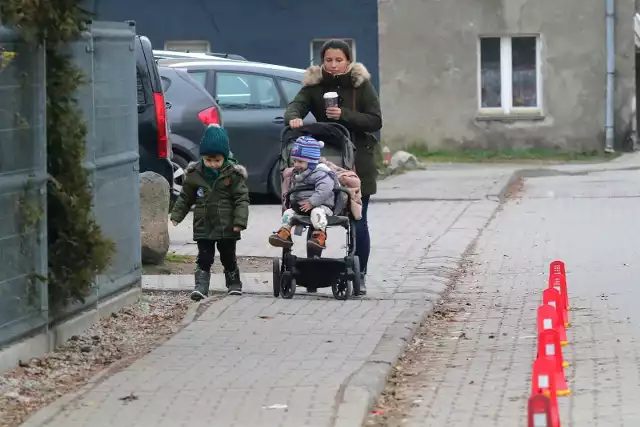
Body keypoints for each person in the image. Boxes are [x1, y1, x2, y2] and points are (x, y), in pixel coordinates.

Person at [284, 39, 382, 295]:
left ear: (348, 61)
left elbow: (375, 120)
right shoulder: (315, 86)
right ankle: (312, 272)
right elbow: (297, 104)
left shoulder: (360, 86)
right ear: (322, 61)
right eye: (329, 60)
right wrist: (293, 118)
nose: (334, 65)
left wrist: (345, 115)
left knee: (358, 220)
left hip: (358, 162)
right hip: (322, 160)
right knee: (312, 214)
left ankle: (359, 274)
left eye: (339, 60)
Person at [170, 124, 250, 300]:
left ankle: (234, 282)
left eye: (217, 160)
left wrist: (239, 221)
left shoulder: (233, 175)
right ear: (203, 158)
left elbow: (241, 199)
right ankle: (201, 286)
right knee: (204, 258)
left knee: (228, 256)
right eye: (208, 160)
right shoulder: (194, 174)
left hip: (227, 225)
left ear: (225, 157)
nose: (212, 164)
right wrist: (177, 216)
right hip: (203, 225)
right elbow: (185, 197)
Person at [268, 136, 338, 251]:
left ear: (311, 162)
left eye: (300, 161)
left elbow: (325, 189)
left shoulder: (321, 173)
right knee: (289, 213)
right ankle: (284, 232)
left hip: (321, 205)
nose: (296, 164)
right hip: (302, 206)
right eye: (294, 161)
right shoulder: (297, 174)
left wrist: (312, 202)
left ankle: (319, 235)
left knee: (317, 213)